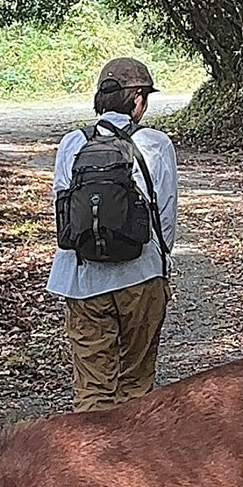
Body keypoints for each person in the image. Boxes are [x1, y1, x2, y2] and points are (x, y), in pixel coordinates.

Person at [47, 56, 178, 412]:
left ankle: (91, 464)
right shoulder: (155, 142)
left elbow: (63, 206)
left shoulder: (72, 143)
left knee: (92, 388)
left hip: (82, 280)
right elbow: (164, 215)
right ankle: (134, 463)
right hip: (142, 275)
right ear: (137, 100)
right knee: (136, 383)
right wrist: (161, 266)